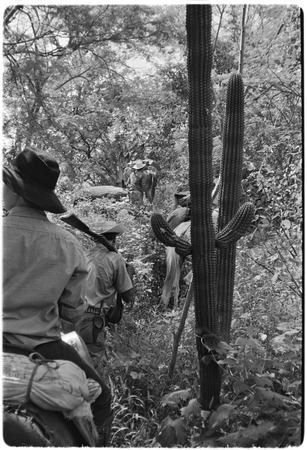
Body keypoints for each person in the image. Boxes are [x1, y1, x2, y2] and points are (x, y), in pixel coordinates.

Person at [2, 147, 113, 446]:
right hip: (43, 344)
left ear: (15, 190)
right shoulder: (68, 243)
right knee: (102, 398)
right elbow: (72, 311)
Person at [76, 221, 135, 355]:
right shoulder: (115, 259)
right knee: (93, 364)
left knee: (73, 363)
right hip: (90, 321)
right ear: (114, 238)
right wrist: (129, 273)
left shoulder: (83, 255)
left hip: (72, 316)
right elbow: (128, 296)